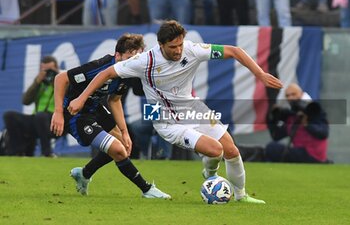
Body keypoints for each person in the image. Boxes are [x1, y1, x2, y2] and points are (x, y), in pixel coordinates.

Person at [64, 20, 283, 203]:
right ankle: (210, 175)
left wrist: (260, 74)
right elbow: (105, 74)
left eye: (180, 45)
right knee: (215, 150)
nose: (178, 50)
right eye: (172, 47)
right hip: (165, 119)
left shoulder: (192, 50)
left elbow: (235, 51)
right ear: (160, 45)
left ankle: (241, 196)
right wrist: (82, 98)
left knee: (232, 150)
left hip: (193, 108)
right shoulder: (145, 60)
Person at [50, 33, 170, 199]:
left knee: (123, 144)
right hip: (75, 113)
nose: (133, 62)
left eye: (137, 58)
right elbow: (60, 78)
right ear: (117, 55)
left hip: (95, 109)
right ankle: (147, 189)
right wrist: (58, 112)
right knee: (118, 150)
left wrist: (124, 131)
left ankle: (84, 174)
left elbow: (114, 100)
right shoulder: (101, 67)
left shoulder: (127, 72)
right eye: (129, 57)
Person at [2, 56, 59, 157]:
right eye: (44, 70)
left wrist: (55, 80)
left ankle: (47, 153)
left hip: (55, 121)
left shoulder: (63, 82)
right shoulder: (40, 83)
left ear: (56, 68)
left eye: (50, 70)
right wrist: (37, 82)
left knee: (41, 116)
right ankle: (17, 151)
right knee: (9, 115)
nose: (48, 72)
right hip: (37, 119)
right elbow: (25, 101)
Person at [265, 83, 330, 163]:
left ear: (302, 94)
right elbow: (276, 136)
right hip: (300, 152)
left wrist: (307, 124)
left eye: (293, 94)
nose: (291, 98)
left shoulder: (314, 110)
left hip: (313, 155)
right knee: (270, 148)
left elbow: (323, 133)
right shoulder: (292, 116)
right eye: (287, 96)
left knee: (272, 148)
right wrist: (272, 118)